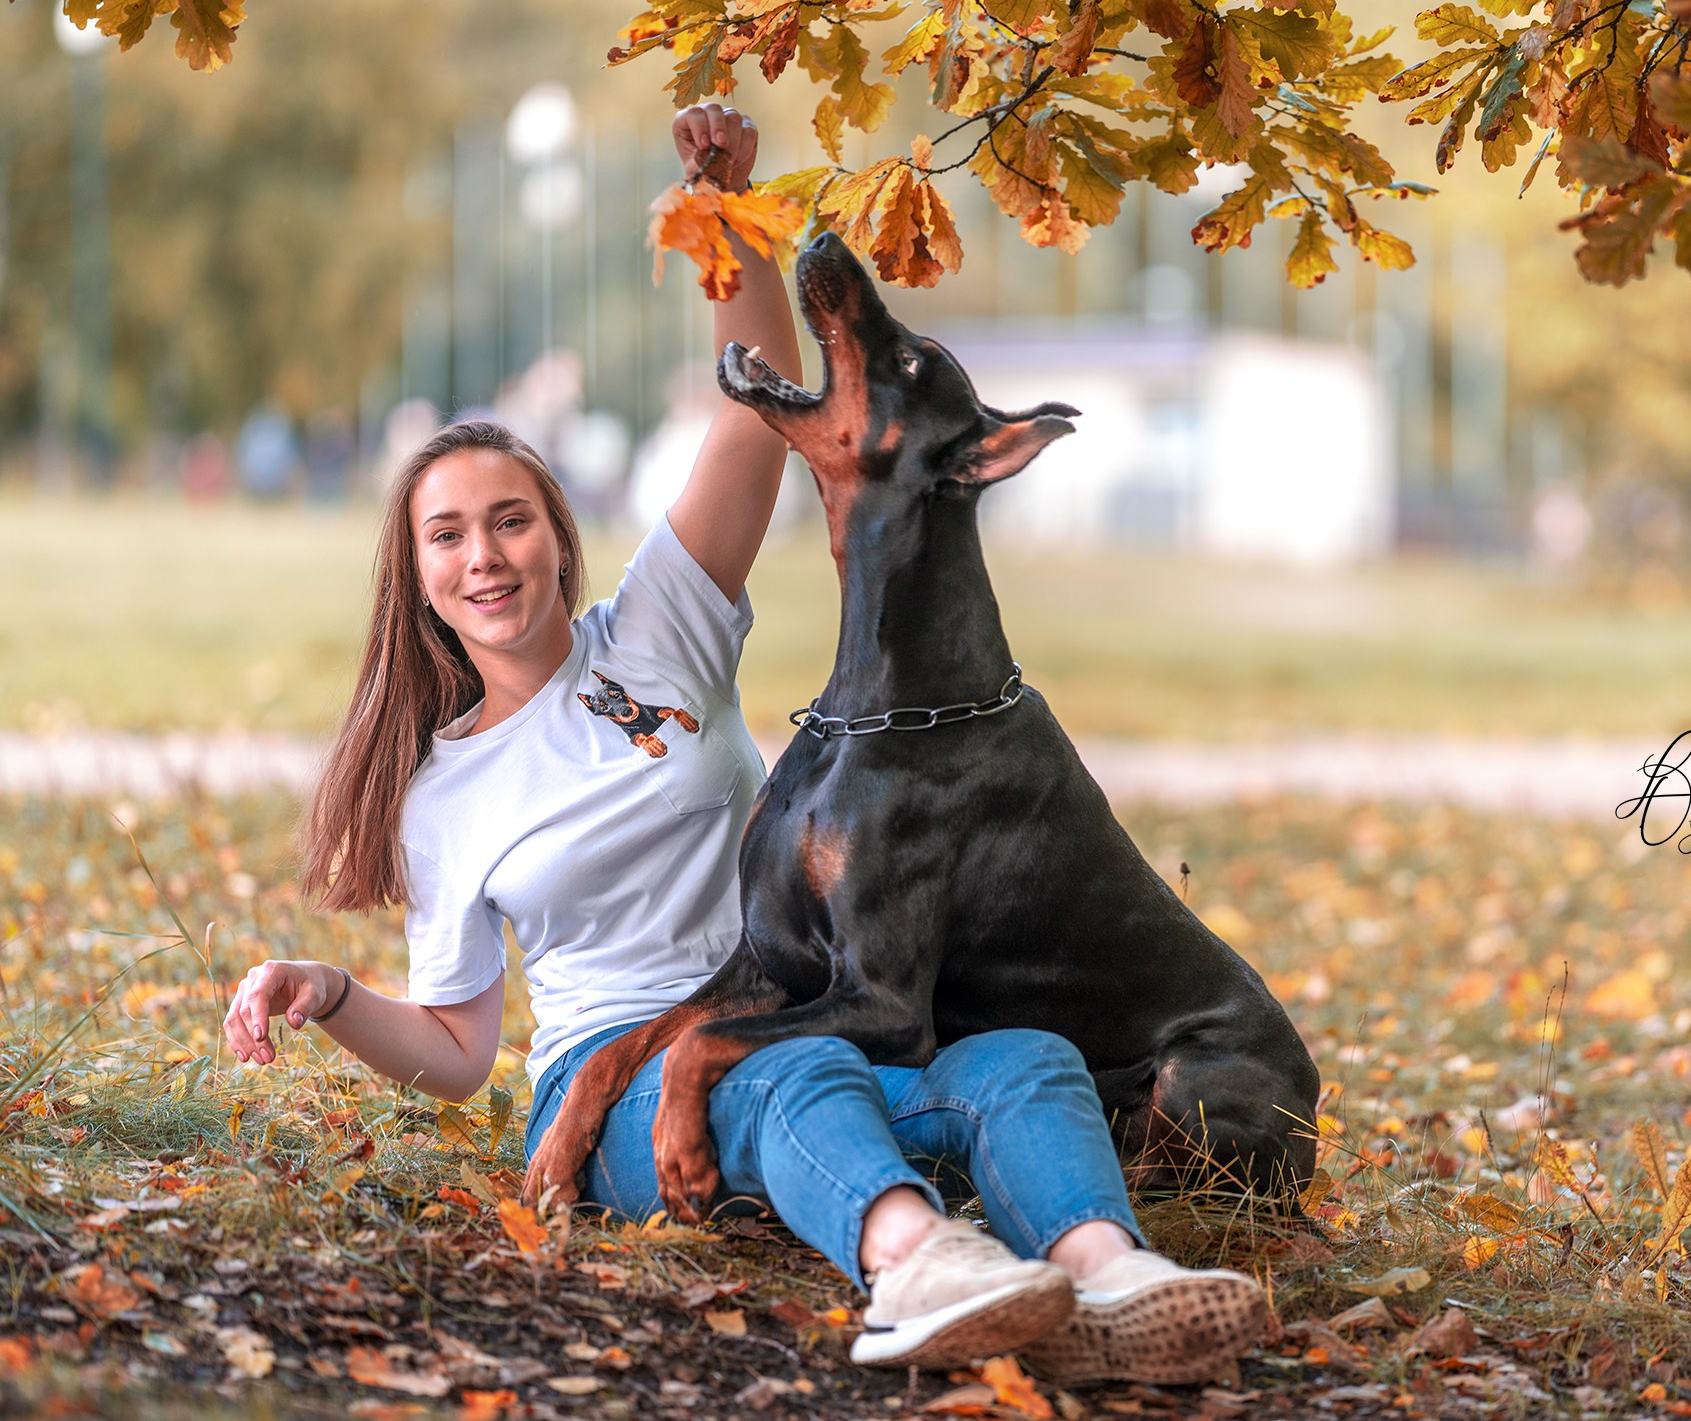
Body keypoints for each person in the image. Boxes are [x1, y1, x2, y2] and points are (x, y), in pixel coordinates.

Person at [217, 104, 1268, 1384]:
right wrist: (329, 993)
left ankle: (1115, 1285)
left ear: (558, 532)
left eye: (510, 520)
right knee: (793, 1083)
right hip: (618, 1093)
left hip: (791, 1017)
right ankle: (918, 1266)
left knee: (1022, 1059)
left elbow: (746, 403)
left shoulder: (658, 628)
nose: (485, 556)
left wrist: (724, 212)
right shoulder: (444, 788)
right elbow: (454, 1051)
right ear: (418, 573)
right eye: (449, 535)